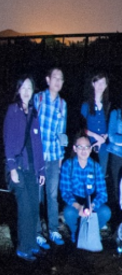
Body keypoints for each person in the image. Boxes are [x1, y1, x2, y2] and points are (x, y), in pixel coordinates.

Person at [4, 76, 46, 261]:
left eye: (30, 87)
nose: (27, 91)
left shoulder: (34, 113)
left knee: (34, 208)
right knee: (25, 208)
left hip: (32, 169)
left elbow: (37, 144)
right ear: (18, 90)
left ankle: (31, 243)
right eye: (23, 88)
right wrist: (12, 167)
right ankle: (23, 247)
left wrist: (42, 170)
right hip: (18, 167)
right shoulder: (12, 111)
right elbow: (8, 139)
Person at [34, 67, 68, 247]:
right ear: (48, 80)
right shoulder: (38, 99)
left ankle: (53, 230)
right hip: (38, 157)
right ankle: (37, 232)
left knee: (52, 195)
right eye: (55, 77)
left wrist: (61, 158)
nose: (58, 81)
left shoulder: (63, 104)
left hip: (54, 157)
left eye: (61, 79)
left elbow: (62, 134)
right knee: (37, 196)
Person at [60, 135, 112, 243]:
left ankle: (93, 231)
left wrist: (92, 206)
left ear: (90, 149)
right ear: (75, 148)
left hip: (91, 202)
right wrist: (78, 207)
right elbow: (65, 192)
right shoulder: (68, 165)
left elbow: (103, 193)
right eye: (80, 147)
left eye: (87, 147)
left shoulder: (95, 166)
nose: (84, 150)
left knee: (106, 212)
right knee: (68, 212)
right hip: (76, 202)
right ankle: (76, 232)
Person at [81, 73, 110, 175]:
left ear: (106, 86)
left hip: (103, 146)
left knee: (101, 177)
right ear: (93, 84)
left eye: (103, 83)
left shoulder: (108, 106)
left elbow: (110, 126)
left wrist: (104, 138)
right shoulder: (86, 105)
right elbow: (82, 127)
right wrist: (95, 136)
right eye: (97, 82)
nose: (100, 86)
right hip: (88, 145)